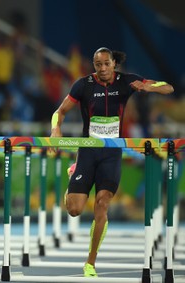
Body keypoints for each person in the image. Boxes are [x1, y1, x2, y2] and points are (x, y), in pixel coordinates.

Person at [50, 47, 174, 277]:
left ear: (114, 64)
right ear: (94, 65)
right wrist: (55, 128)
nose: (103, 69)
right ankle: (74, 171)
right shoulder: (83, 84)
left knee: (102, 203)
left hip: (112, 151)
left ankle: (90, 262)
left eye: (107, 64)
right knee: (74, 209)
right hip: (88, 150)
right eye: (98, 64)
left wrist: (149, 86)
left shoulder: (127, 81)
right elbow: (60, 111)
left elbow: (169, 87)